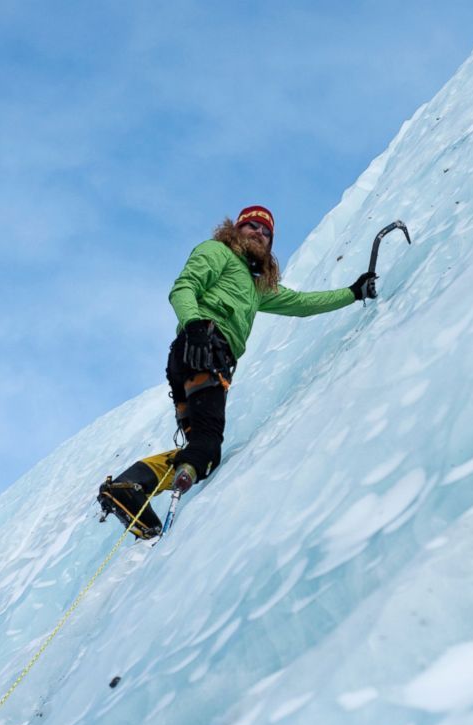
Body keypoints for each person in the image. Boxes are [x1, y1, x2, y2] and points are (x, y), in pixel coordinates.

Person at [98, 205, 376, 538]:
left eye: (266, 232)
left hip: (196, 357)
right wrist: (195, 325)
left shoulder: (257, 287)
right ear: (236, 229)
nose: (260, 233)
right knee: (208, 445)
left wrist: (351, 292)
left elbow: (301, 304)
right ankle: (130, 485)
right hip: (203, 346)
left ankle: (131, 487)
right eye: (253, 226)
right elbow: (184, 287)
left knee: (201, 450)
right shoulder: (217, 252)